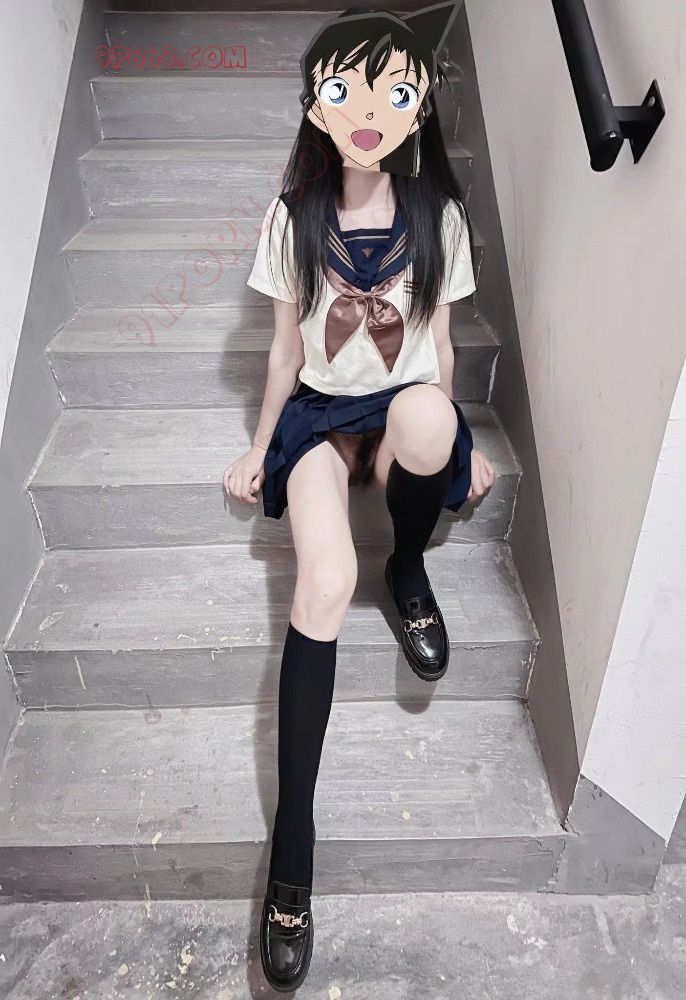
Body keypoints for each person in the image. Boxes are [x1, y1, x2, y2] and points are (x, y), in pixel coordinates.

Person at [223, 4, 495, 990]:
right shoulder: (292, 217)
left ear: (419, 107)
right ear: (315, 105)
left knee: (426, 418)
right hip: (318, 419)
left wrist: (460, 438)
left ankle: (408, 567)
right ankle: (291, 853)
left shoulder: (438, 217)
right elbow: (283, 352)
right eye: (344, 89)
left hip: (401, 405)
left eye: (393, 90)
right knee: (324, 580)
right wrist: (260, 446)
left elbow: (442, 348)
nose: (368, 111)